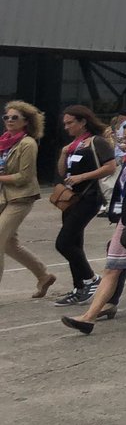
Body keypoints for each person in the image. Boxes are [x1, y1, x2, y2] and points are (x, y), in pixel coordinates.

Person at [61, 118, 126, 333]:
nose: (124, 142)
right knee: (116, 267)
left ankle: (93, 314)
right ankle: (94, 313)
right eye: (122, 138)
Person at [51, 106, 115, 306]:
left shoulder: (97, 142)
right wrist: (63, 153)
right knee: (74, 243)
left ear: (83, 122)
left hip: (89, 197)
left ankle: (91, 279)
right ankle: (80, 287)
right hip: (71, 198)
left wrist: (83, 176)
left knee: (64, 242)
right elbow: (62, 171)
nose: (67, 127)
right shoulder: (73, 146)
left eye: (70, 123)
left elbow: (110, 166)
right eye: (65, 123)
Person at [0, 101, 55, 296]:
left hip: (21, 198)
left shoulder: (27, 144)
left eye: (15, 117)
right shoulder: (4, 141)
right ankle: (43, 275)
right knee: (8, 244)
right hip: (4, 197)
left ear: (26, 121)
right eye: (6, 117)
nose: (9, 120)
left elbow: (24, 177)